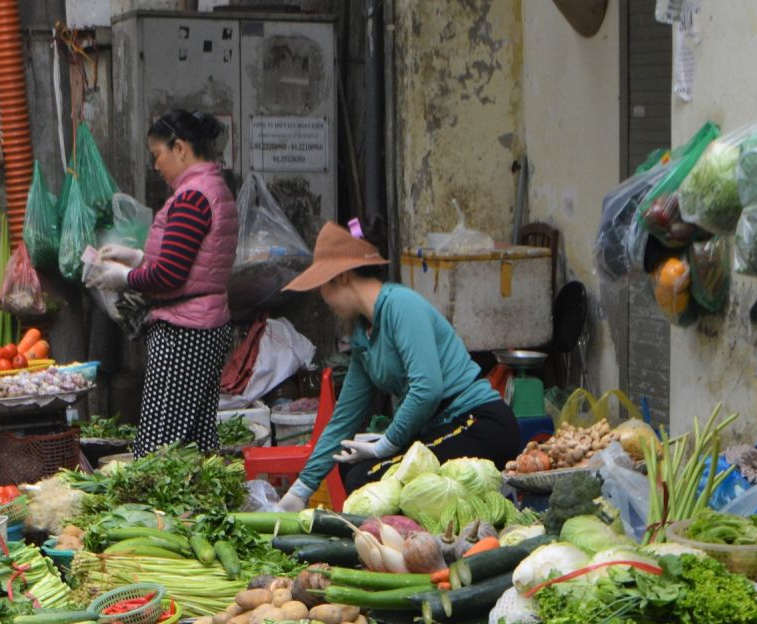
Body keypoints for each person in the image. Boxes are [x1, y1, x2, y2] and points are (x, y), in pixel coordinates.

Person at [277, 222, 522, 511]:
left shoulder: (401, 306)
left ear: (342, 277)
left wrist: (386, 444)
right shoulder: (363, 336)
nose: (323, 299)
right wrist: (302, 488)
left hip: (476, 424)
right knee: (351, 467)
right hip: (440, 428)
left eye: (323, 287)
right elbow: (345, 418)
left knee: (366, 476)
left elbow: (427, 389)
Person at [88, 110, 239, 456]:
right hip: (206, 322)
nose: (156, 165)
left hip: (184, 331)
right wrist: (138, 259)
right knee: (197, 442)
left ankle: (158, 511)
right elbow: (192, 263)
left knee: (160, 446)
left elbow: (170, 276)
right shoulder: (213, 188)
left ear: (181, 148)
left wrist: (122, 277)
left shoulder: (193, 197)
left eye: (158, 155)